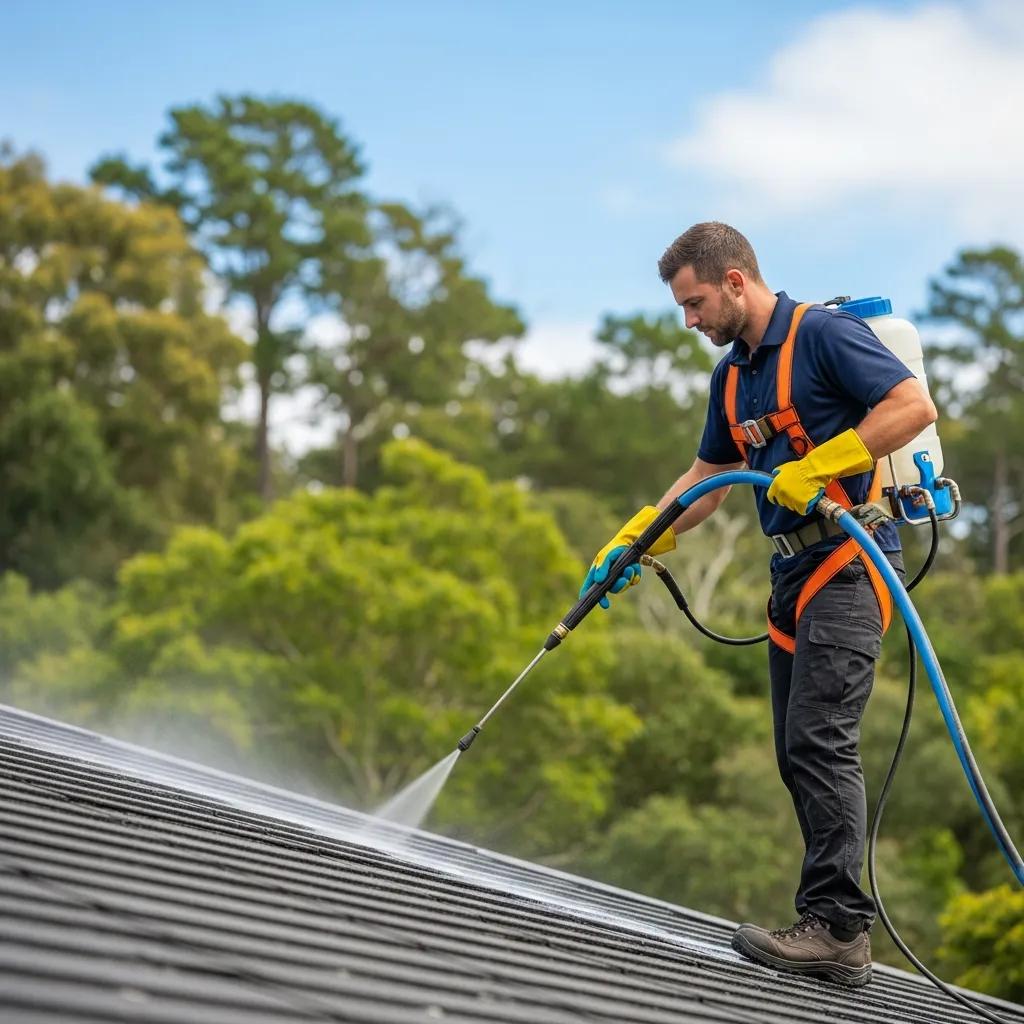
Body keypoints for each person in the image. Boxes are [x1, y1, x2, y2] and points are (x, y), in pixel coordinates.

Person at [583, 222, 936, 987]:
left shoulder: (823, 336)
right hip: (792, 571)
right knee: (792, 747)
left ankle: (838, 929)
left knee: (820, 738)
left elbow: (912, 407)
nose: (690, 320)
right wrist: (635, 540)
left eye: (695, 303)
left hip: (852, 559)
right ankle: (830, 926)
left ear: (735, 281)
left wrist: (824, 463)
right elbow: (706, 479)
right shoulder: (732, 377)